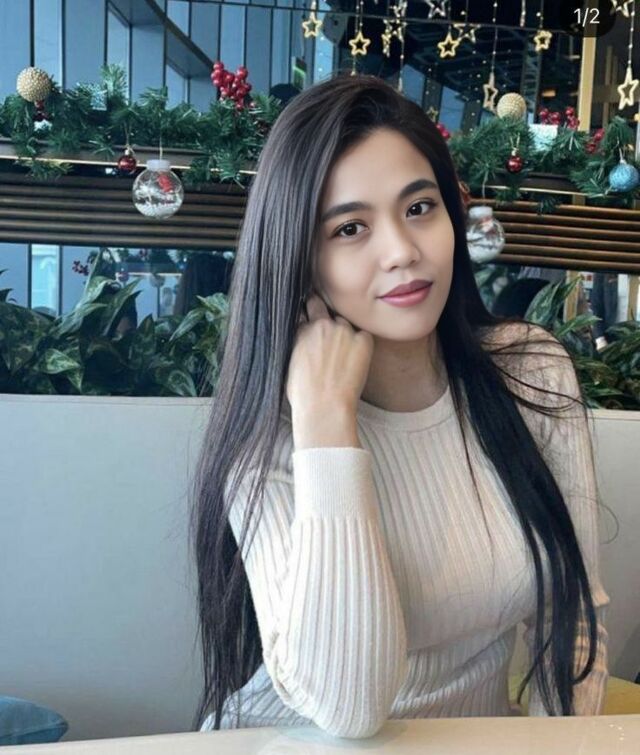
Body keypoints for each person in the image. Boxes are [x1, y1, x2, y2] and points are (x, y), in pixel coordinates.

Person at [189, 73, 610, 739]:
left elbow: (573, 623)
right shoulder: (269, 438)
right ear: (300, 258)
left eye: (419, 208)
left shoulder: (530, 371)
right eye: (350, 227)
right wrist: (326, 420)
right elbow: (350, 707)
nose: (402, 252)